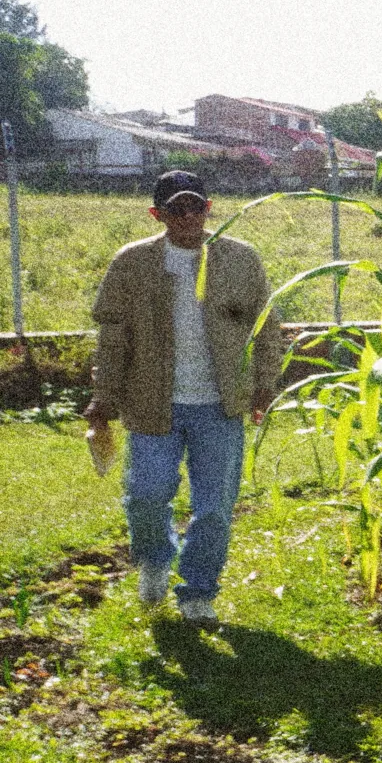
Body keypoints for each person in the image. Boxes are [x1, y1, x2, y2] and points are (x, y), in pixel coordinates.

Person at [85, 171, 286, 624]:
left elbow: (266, 328)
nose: (189, 215)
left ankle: (198, 591)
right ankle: (156, 560)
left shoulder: (239, 258)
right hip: (153, 401)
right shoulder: (132, 262)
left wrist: (264, 384)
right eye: (177, 208)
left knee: (214, 507)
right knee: (146, 496)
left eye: (197, 205)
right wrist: (104, 397)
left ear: (209, 207)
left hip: (221, 404)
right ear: (158, 214)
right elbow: (112, 336)